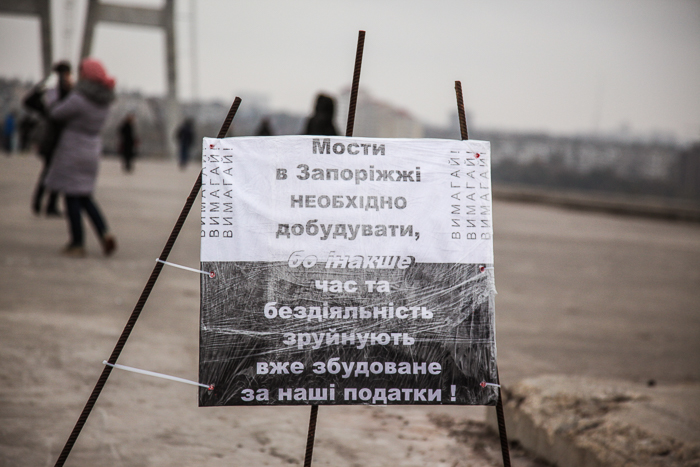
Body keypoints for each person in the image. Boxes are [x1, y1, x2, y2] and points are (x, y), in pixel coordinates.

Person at [43, 57, 117, 257]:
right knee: (85, 196)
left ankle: (77, 242)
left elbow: (56, 113)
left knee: (71, 196)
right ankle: (105, 233)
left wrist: (52, 94)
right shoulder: (105, 100)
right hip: (92, 149)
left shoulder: (79, 98)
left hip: (72, 148)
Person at [23, 60, 74, 216]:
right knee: (51, 172)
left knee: (51, 172)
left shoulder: (54, 90)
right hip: (56, 139)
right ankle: (46, 204)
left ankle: (43, 203)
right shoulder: (58, 91)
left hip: (54, 138)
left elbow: (29, 101)